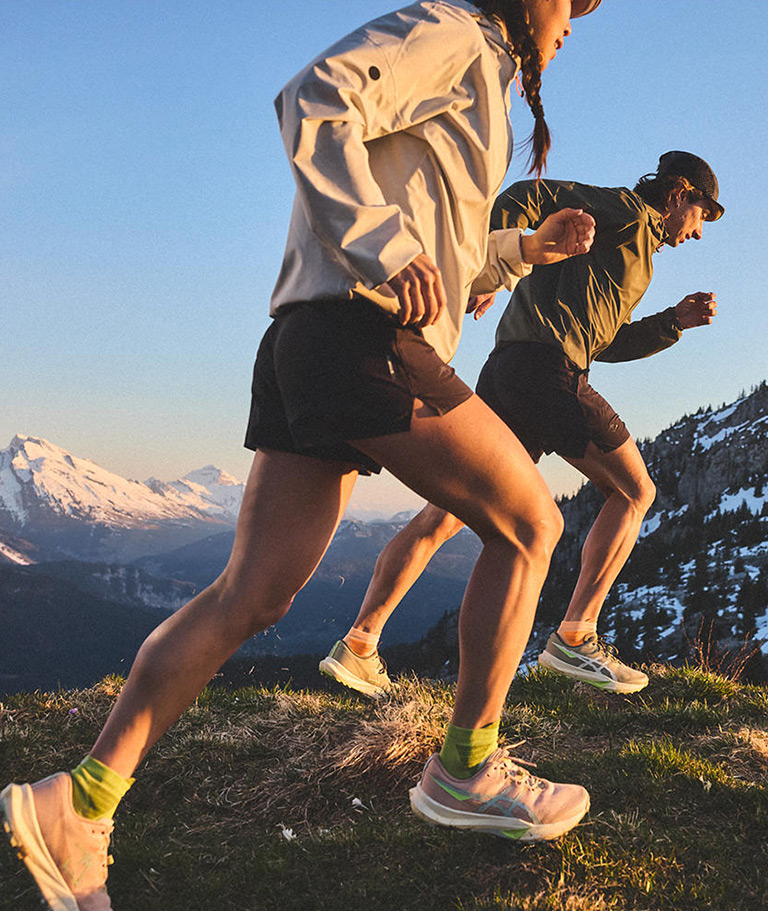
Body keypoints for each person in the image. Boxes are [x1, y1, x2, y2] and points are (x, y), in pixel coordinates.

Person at [1, 1, 603, 908]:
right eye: (577, 1)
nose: (577, 20)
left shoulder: (482, 71)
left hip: (308, 338)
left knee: (251, 595)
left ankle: (80, 802)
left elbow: (439, 251)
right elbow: (314, 95)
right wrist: (382, 245)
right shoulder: (455, 32)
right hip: (365, 338)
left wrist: (521, 249)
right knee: (531, 523)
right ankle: (465, 769)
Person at [321, 149, 723, 698]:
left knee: (447, 513)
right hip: (546, 370)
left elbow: (603, 341)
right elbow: (526, 195)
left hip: (512, 369)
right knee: (635, 491)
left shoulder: (635, 251)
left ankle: (359, 644)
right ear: (679, 194)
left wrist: (673, 322)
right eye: (703, 214)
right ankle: (576, 638)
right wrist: (491, 265)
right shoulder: (626, 212)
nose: (698, 232)